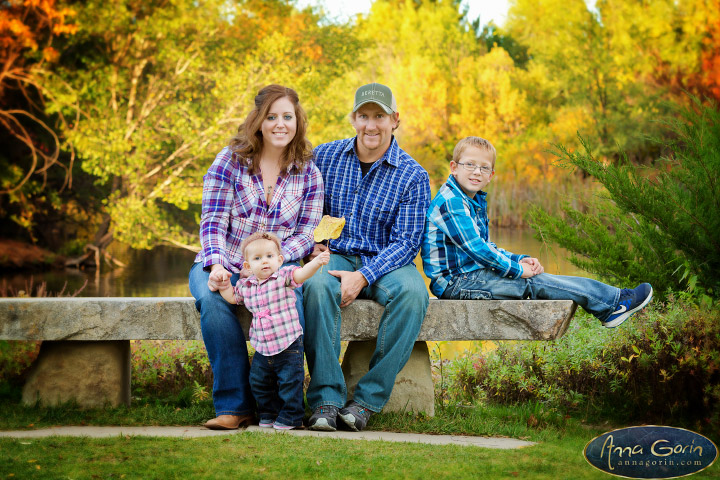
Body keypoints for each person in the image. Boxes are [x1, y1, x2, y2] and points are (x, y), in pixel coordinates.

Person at [189, 84, 324, 430]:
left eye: (288, 117)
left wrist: (275, 264)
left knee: (291, 302)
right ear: (259, 121)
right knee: (212, 300)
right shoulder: (230, 160)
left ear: (298, 121)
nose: (281, 124)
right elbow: (213, 221)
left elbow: (307, 232)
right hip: (226, 260)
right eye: (272, 116)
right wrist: (217, 266)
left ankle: (285, 407)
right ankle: (235, 406)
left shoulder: (307, 170)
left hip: (277, 267)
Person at [302, 83, 431, 432]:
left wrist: (365, 275)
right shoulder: (325, 157)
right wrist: (310, 245)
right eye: (364, 116)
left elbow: (407, 242)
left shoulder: (413, 175)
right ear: (353, 119)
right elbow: (302, 204)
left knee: (414, 294)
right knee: (313, 285)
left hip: (388, 261)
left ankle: (365, 402)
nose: (371, 125)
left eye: (379, 116)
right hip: (337, 255)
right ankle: (326, 402)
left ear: (395, 119)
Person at [421, 136, 653, 327]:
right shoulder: (451, 202)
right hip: (457, 284)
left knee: (534, 278)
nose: (476, 172)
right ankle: (612, 304)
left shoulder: (471, 199)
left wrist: (518, 259)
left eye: (484, 168)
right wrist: (516, 270)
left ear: (491, 176)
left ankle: (612, 301)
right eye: (469, 164)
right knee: (531, 283)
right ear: (454, 168)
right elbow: (478, 250)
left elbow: (486, 246)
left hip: (470, 277)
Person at [217, 232, 330, 430]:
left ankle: (292, 416)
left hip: (288, 343)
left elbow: (301, 274)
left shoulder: (284, 277)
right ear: (247, 266)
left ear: (279, 260)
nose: (265, 262)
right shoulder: (246, 285)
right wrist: (224, 285)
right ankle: (268, 412)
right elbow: (233, 298)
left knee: (289, 382)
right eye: (257, 259)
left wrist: (317, 262)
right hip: (262, 345)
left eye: (269, 257)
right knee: (260, 382)